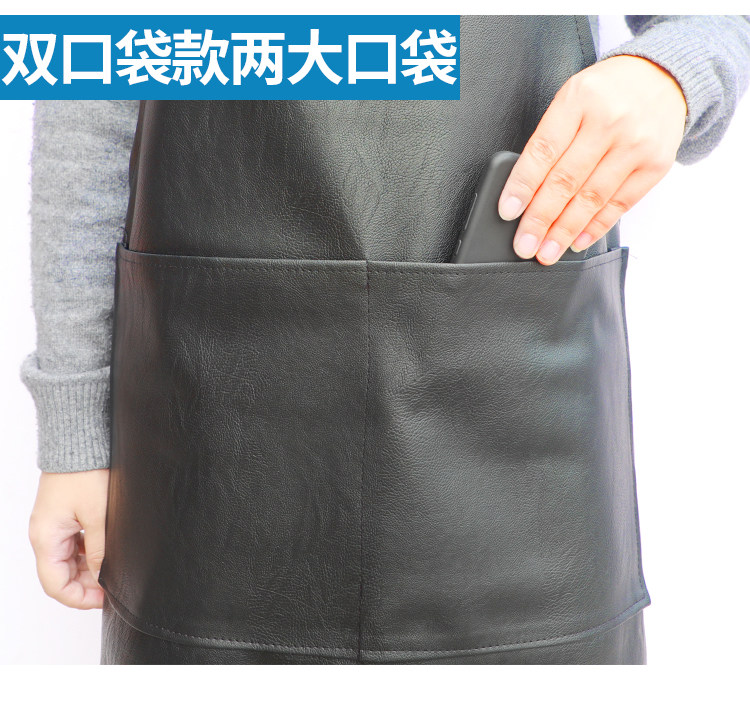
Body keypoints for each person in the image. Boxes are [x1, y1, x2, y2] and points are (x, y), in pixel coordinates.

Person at [21, 15, 750, 664]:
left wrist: (671, 73)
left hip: (519, 416)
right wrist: (75, 427)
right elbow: (90, 80)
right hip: (206, 430)